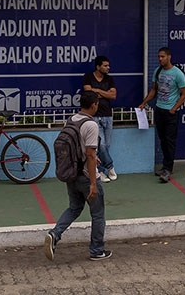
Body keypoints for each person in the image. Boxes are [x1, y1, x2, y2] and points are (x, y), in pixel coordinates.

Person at [44, 90, 113, 261]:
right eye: (97, 103)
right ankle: (97, 250)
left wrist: (92, 156)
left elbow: (80, 148)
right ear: (93, 105)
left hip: (72, 174)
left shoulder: (72, 119)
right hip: (85, 175)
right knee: (98, 214)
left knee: (74, 208)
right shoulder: (91, 125)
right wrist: (93, 183)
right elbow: (89, 154)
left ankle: (55, 234)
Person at [139, 47, 185, 183]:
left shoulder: (178, 74)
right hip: (159, 110)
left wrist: (174, 108)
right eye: (159, 57)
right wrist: (144, 103)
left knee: (169, 140)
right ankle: (166, 166)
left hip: (171, 113)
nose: (160, 59)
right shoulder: (158, 71)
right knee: (162, 140)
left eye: (162, 56)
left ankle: (167, 169)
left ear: (169, 57)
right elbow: (154, 90)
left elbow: (184, 95)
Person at [83, 55, 117, 182]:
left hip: (108, 115)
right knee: (100, 145)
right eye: (105, 66)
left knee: (106, 145)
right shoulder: (88, 77)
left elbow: (113, 95)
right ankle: (110, 167)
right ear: (98, 67)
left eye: (108, 65)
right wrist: (104, 93)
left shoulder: (109, 79)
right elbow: (89, 94)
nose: (108, 68)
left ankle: (101, 172)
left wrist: (97, 90)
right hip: (95, 117)